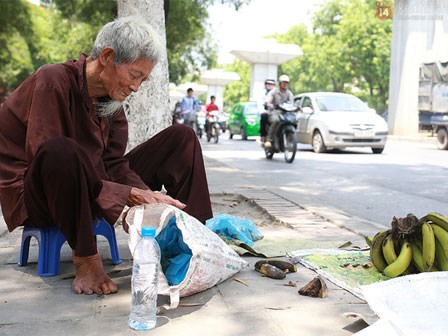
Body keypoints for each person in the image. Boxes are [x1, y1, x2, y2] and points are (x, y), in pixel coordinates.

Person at [0, 16, 213, 296]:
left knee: (181, 137)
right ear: (107, 56)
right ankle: (86, 260)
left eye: (143, 80)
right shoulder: (52, 80)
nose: (136, 87)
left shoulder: (111, 100)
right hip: (40, 194)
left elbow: (113, 162)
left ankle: (197, 243)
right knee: (61, 151)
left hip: (92, 183)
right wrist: (124, 195)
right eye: (135, 75)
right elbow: (46, 155)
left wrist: (146, 198)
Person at [264, 75, 294, 148]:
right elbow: (267, 101)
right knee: (276, 120)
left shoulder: (289, 93)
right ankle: (269, 139)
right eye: (283, 83)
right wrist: (269, 104)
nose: (285, 84)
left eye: (286, 83)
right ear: (280, 83)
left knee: (294, 120)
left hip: (285, 113)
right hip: (275, 112)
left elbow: (292, 103)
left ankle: (290, 137)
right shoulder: (273, 92)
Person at [259, 79, 276, 143]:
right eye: (268, 84)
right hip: (266, 111)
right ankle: (263, 135)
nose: (270, 86)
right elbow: (260, 103)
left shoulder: (276, 92)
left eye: (271, 84)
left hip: (276, 112)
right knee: (264, 116)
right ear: (265, 85)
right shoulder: (262, 93)